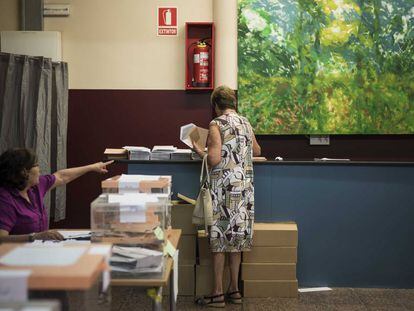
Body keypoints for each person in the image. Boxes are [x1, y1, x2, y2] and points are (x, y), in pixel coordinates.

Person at [192, 85, 261, 307]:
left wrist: (198, 150)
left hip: (223, 190)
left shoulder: (217, 124)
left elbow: (212, 159)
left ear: (216, 105)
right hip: (244, 190)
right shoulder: (245, 122)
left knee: (220, 240)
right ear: (233, 103)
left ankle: (217, 293)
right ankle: (235, 291)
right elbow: (257, 151)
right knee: (236, 240)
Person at [0, 148, 113, 242]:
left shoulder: (34, 188)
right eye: (36, 165)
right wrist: (33, 237)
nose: (39, 169)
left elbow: (61, 176)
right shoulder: (5, 199)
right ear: (24, 172)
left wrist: (92, 167)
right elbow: (2, 239)